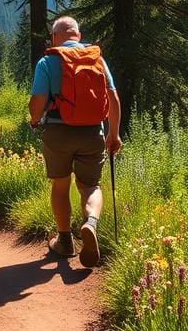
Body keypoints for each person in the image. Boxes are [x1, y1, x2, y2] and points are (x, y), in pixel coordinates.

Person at [28, 16, 122, 268]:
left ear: (55, 37)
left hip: (58, 132)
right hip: (92, 133)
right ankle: (90, 223)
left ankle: (65, 241)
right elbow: (113, 98)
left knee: (60, 185)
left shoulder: (48, 61)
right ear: (78, 36)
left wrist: (35, 119)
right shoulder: (97, 59)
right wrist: (114, 134)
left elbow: (37, 101)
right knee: (90, 186)